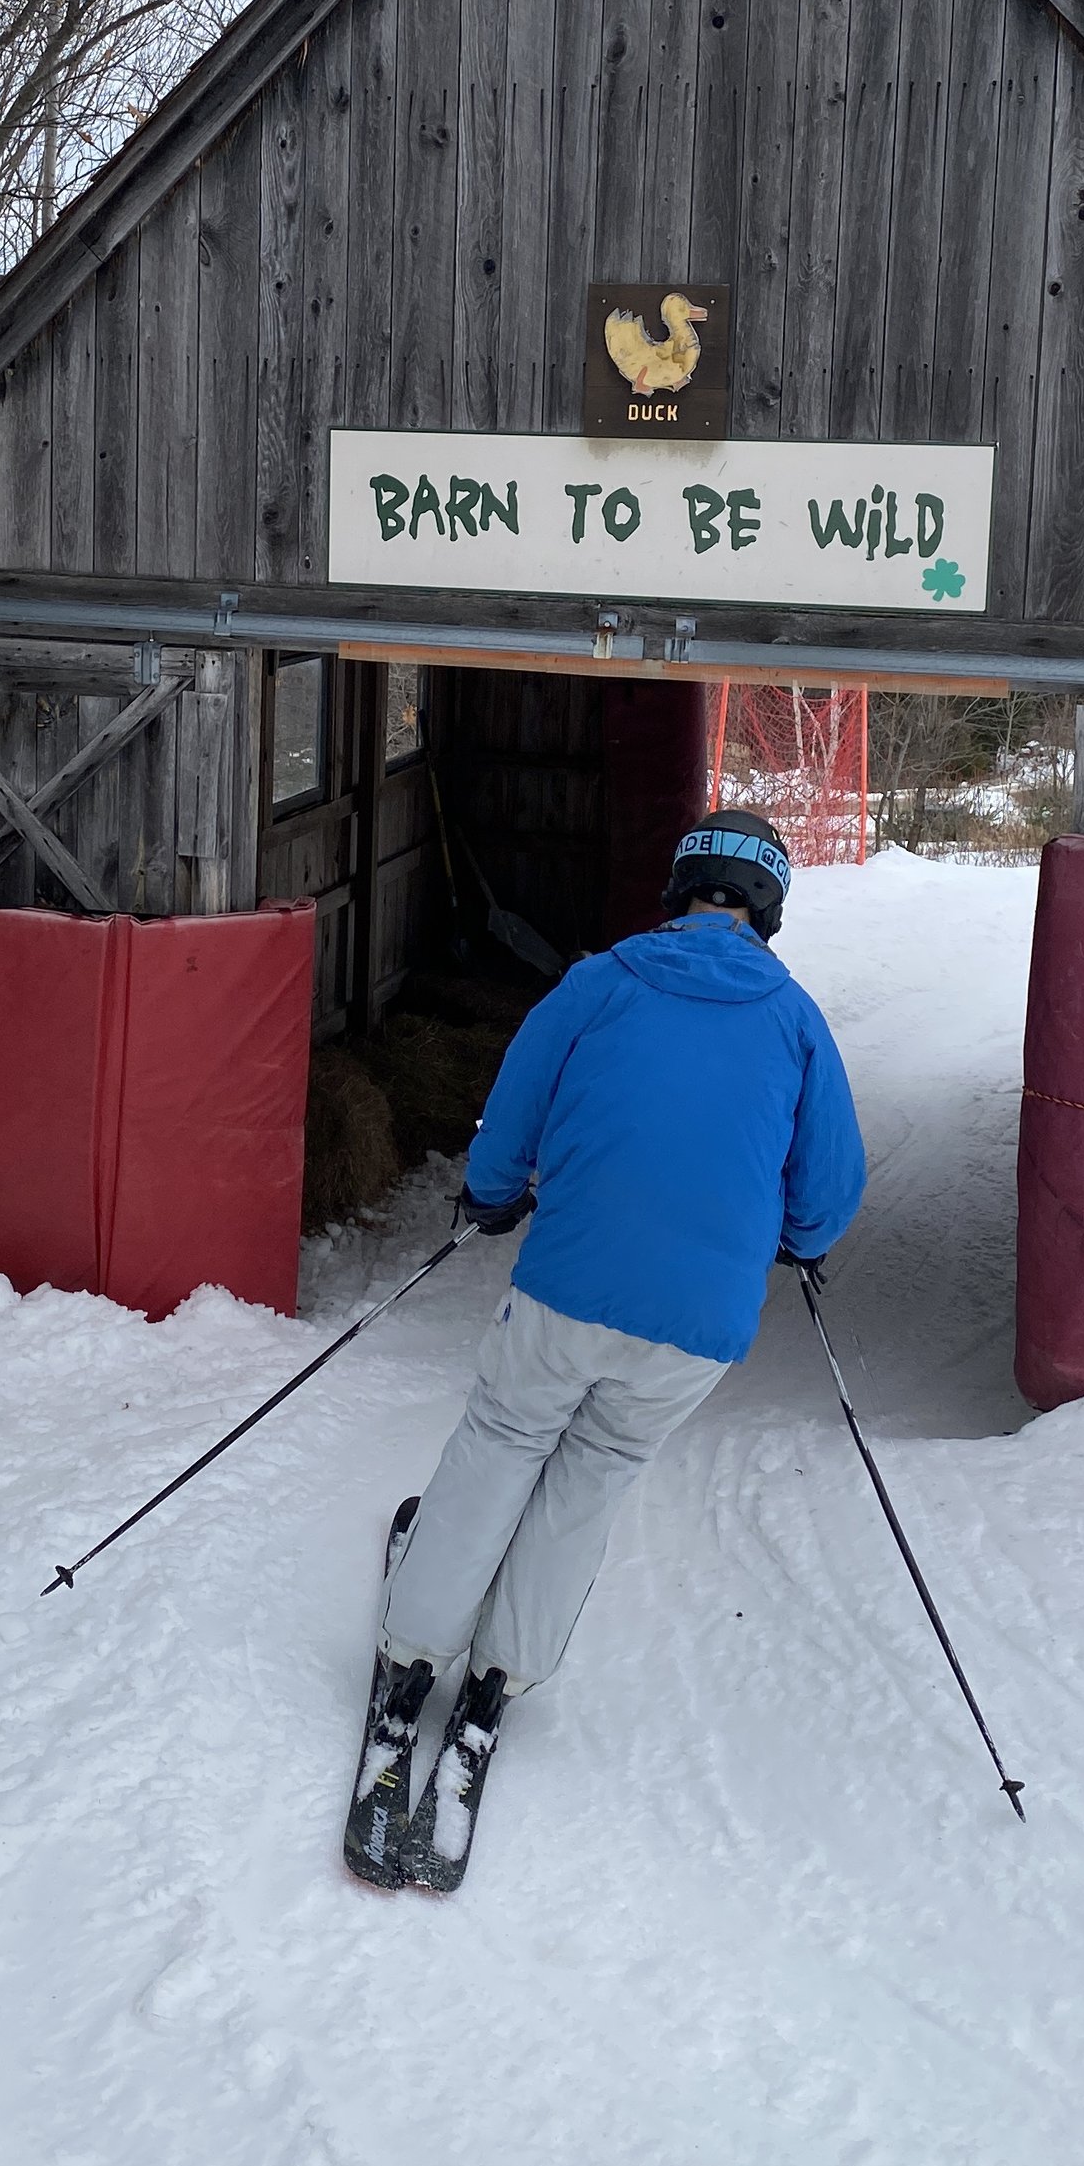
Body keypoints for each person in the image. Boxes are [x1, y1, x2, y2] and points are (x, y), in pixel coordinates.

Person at [344, 811, 868, 1892]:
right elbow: (827, 1189)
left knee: (501, 1442)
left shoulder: (599, 983)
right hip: (698, 1326)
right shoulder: (796, 1020)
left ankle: (411, 1662)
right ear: (766, 910)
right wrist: (794, 1243)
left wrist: (490, 1199)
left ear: (677, 891)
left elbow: (516, 1108)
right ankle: (498, 1682)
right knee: (591, 1477)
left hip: (571, 1287)